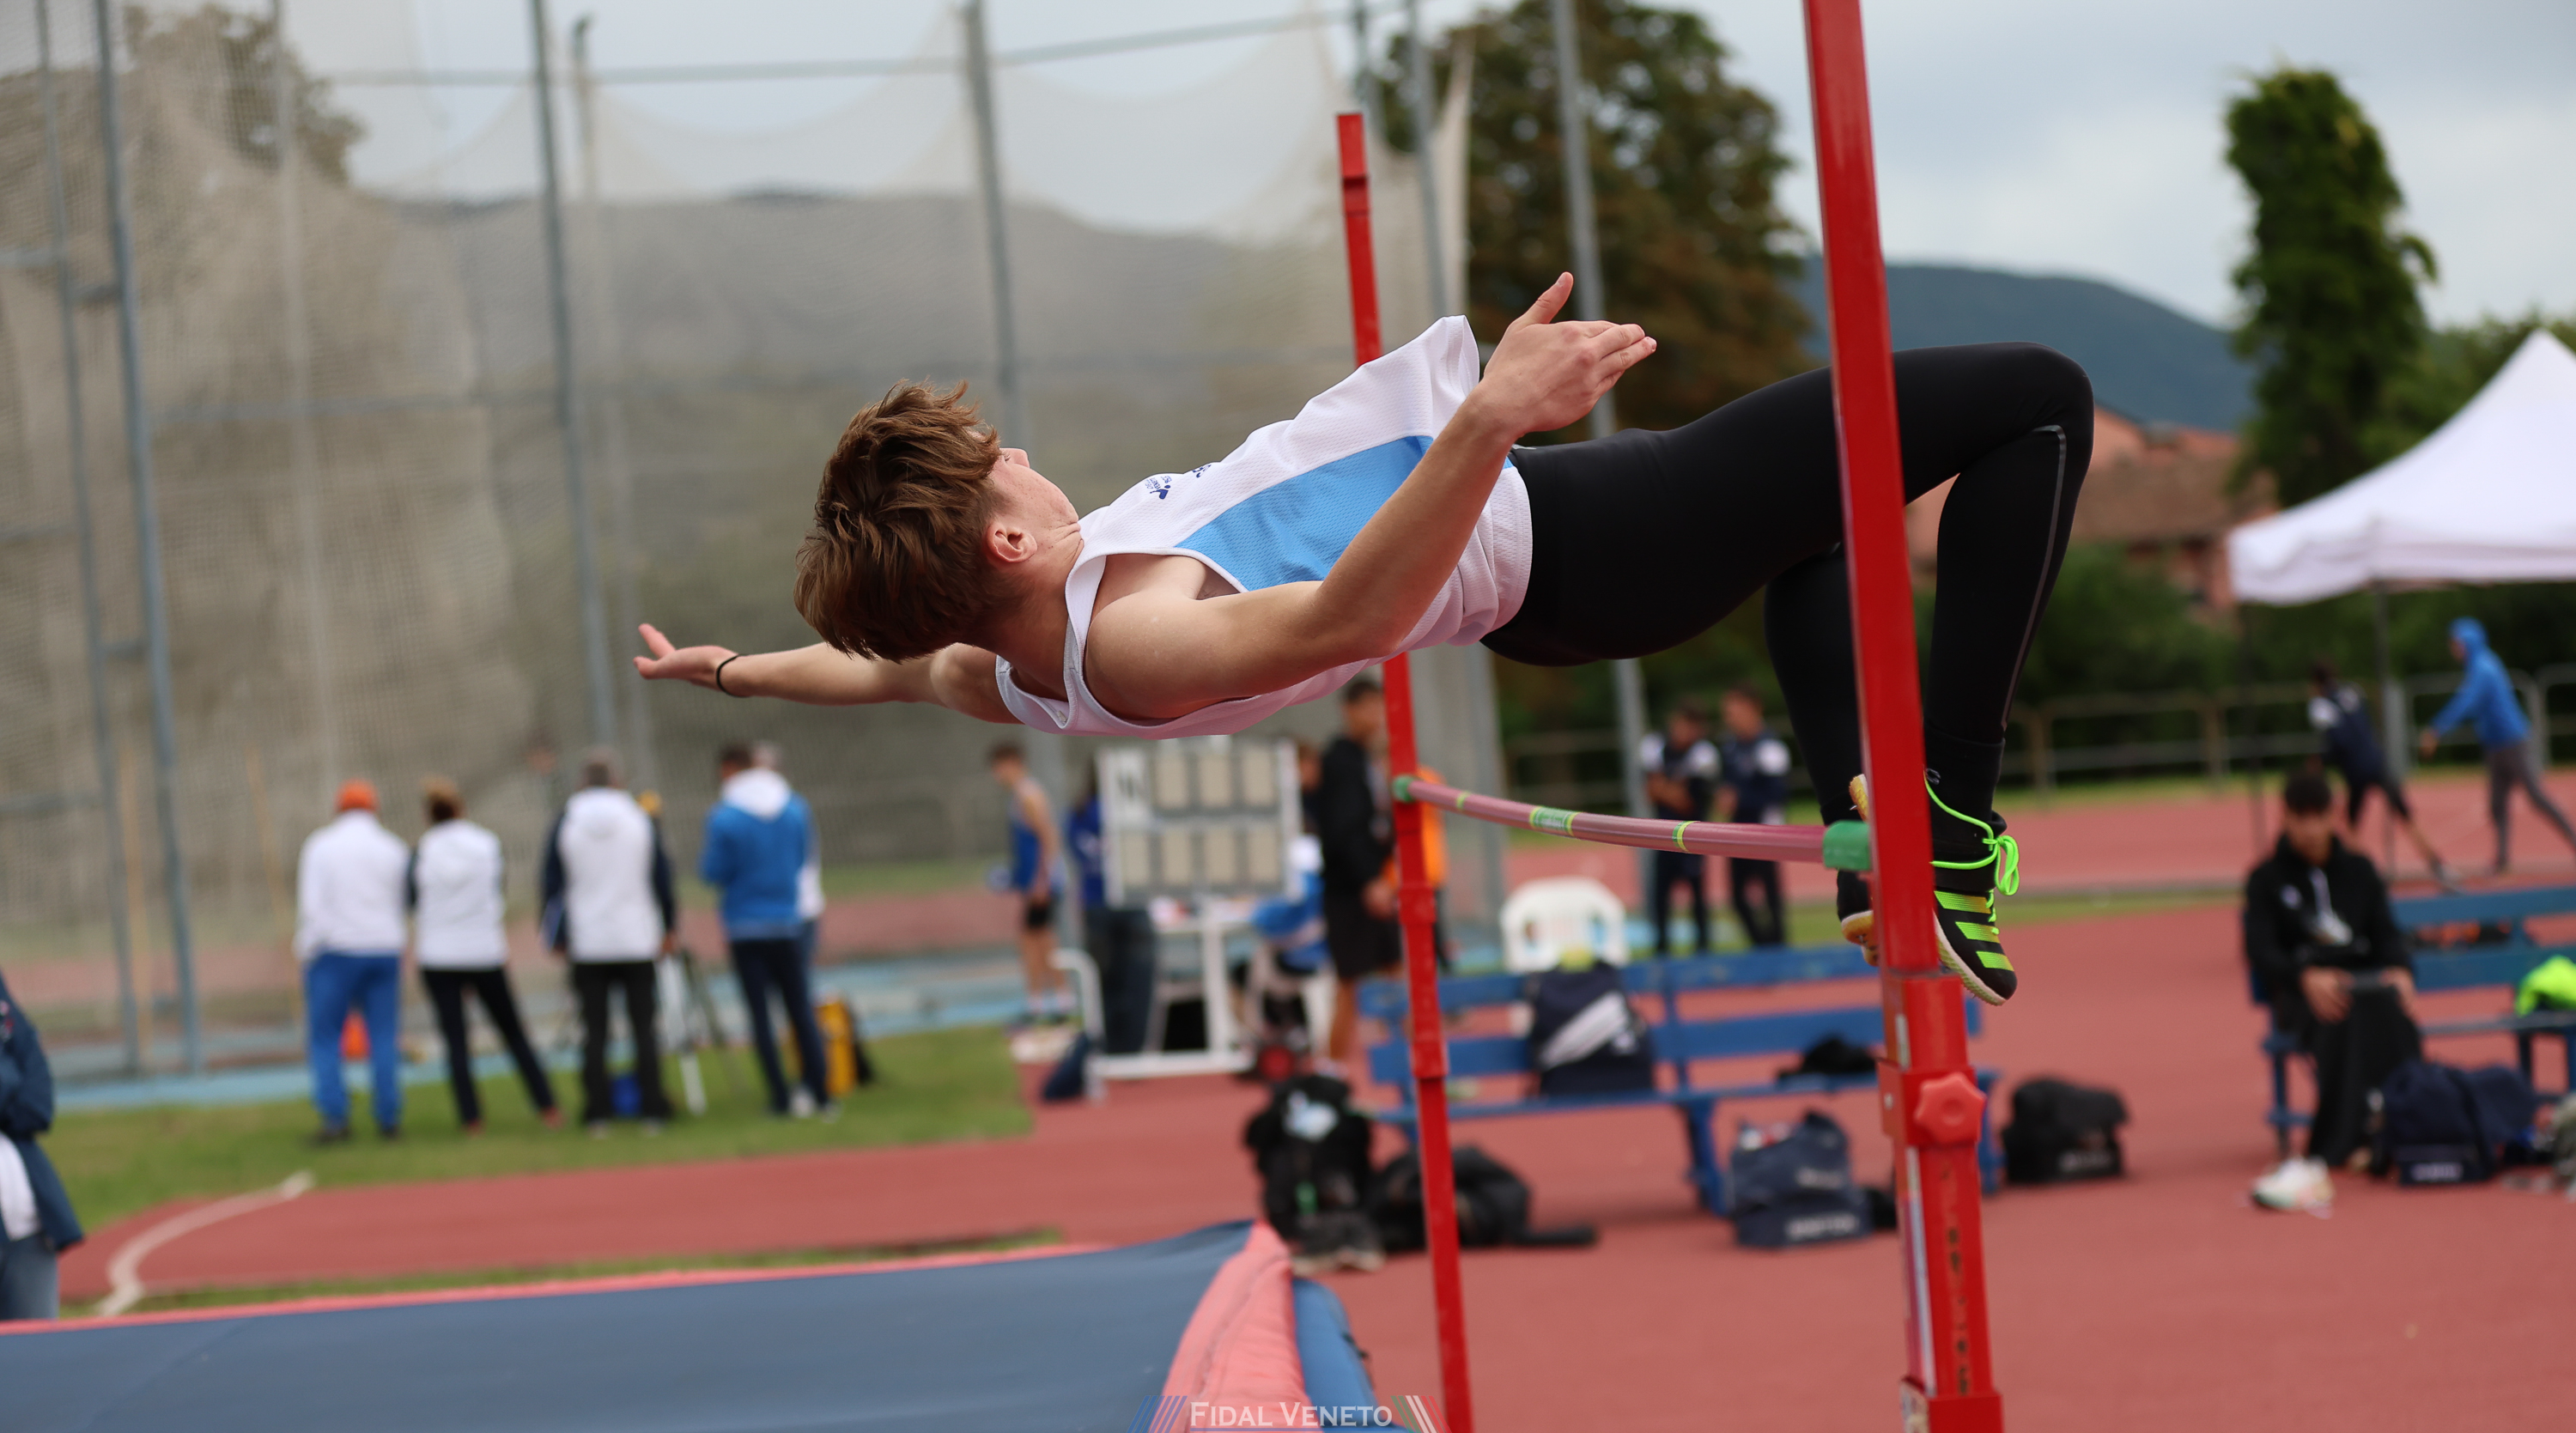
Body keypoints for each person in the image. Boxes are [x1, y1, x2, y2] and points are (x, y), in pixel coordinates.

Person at [635, 277, 2090, 1005]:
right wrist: (1490, 415)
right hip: (1597, 540)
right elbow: (1352, 619)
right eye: (1000, 470)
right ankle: (1955, 824)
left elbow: (876, 671)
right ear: (1002, 546)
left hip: (1569, 555)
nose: (1021, 458)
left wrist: (731, 670)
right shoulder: (1132, 642)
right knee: (2038, 398)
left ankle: (1886, 850)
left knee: (1821, 531)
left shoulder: (990, 663)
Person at [2244, 769, 2419, 1211]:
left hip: (2364, 985)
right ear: (2285, 818)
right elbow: (2260, 949)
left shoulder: (2360, 870)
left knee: (2392, 1014)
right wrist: (2303, 975)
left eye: (2317, 816)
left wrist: (2400, 969)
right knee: (2340, 1011)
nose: (2309, 828)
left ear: (2333, 816)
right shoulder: (2265, 879)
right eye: (2299, 818)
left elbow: (2386, 932)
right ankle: (2341, 1142)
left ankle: (2406, 1125)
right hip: (2303, 993)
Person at [410, 778, 560, 1133]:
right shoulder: (487, 843)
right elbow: (497, 890)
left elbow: (413, 899)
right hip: (484, 950)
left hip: (439, 955)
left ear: (428, 815)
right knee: (513, 1032)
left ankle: (471, 1119)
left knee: (456, 1041)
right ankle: (547, 1107)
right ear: (460, 808)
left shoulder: (422, 851)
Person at [541, 750, 677, 1134]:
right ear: (617, 781)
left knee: (594, 1032)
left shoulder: (566, 820)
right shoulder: (639, 818)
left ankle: (598, 1112)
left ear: (582, 783)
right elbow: (662, 877)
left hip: (588, 942)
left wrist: (556, 936)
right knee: (644, 1029)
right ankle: (653, 1109)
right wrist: (669, 927)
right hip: (637, 938)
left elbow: (551, 885)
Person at [702, 743, 833, 1119]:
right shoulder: (794, 807)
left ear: (730, 769)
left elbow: (713, 871)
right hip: (789, 920)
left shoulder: (724, 816)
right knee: (800, 1009)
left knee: (760, 1016)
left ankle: (780, 1097)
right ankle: (820, 1093)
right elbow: (803, 858)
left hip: (745, 925)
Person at [295, 779, 410, 1145]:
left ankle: (335, 1118)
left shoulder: (321, 845)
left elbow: (312, 905)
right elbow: (402, 902)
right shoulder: (393, 847)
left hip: (335, 952)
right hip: (384, 950)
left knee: (327, 1037)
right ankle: (388, 1118)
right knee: (383, 1037)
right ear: (374, 808)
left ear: (339, 808)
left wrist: (309, 948)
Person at [2417, 617, 2576, 874]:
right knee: (2497, 804)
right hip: (2495, 746)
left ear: (2469, 642)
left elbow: (2467, 702)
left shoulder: (2484, 668)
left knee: (2537, 797)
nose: (2453, 648)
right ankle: (2502, 860)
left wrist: (2437, 728)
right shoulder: (2478, 666)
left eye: (2456, 643)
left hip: (2513, 742)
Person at [1315, 678, 1400, 1071]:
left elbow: (1375, 822)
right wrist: (1369, 880)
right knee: (1349, 983)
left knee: (1396, 971)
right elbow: (1345, 829)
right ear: (1348, 710)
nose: (1376, 716)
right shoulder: (1340, 761)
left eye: (1379, 706)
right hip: (1350, 889)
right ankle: (1331, 1071)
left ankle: (1417, 1064)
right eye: (1367, 707)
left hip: (1373, 880)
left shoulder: (1370, 759)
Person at [2311, 659, 2451, 884]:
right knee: (2406, 815)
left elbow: (2335, 742)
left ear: (2315, 683)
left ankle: (2357, 875)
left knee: (2351, 826)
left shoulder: (2320, 706)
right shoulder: (2352, 691)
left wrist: (2321, 763)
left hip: (2355, 769)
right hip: (2376, 760)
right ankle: (2438, 866)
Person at [0, 968, 82, 1321]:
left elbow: (38, 1102)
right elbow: (11, 1075)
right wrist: (10, 1074)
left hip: (26, 1230)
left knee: (37, 1348)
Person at [1064, 761, 1156, 1053]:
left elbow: (1078, 856)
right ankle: (1133, 1048)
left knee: (1102, 983)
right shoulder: (1129, 812)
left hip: (1096, 906)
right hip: (1130, 905)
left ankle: (1106, 1045)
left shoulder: (1077, 813)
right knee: (1138, 984)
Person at [988, 743, 1070, 1023]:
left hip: (1042, 882)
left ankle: (1055, 1001)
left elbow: (1048, 835)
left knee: (1040, 942)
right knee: (1035, 941)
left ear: (1012, 763)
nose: (996, 775)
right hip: (1035, 881)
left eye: (998, 768)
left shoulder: (1028, 795)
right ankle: (1045, 1002)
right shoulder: (1021, 795)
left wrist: (1041, 880)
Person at [1715, 683, 1793, 948]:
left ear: (1753, 709)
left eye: (1733, 711)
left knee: (1770, 895)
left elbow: (1777, 794)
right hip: (1738, 830)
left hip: (1764, 831)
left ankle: (1778, 948)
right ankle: (1761, 947)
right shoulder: (1730, 746)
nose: (1729, 718)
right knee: (1737, 897)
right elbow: (1729, 783)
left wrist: (1740, 798)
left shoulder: (1769, 747)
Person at [1640, 698, 1719, 956]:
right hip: (1663, 835)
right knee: (1660, 893)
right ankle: (1661, 948)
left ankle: (1703, 948)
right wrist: (1669, 790)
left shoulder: (1704, 754)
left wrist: (1665, 789)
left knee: (1698, 893)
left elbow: (1688, 801)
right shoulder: (1655, 746)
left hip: (1694, 835)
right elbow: (1650, 791)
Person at [753, 742, 827, 970]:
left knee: (797, 977)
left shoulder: (792, 808)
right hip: (767, 912)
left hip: (796, 908)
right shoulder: (743, 812)